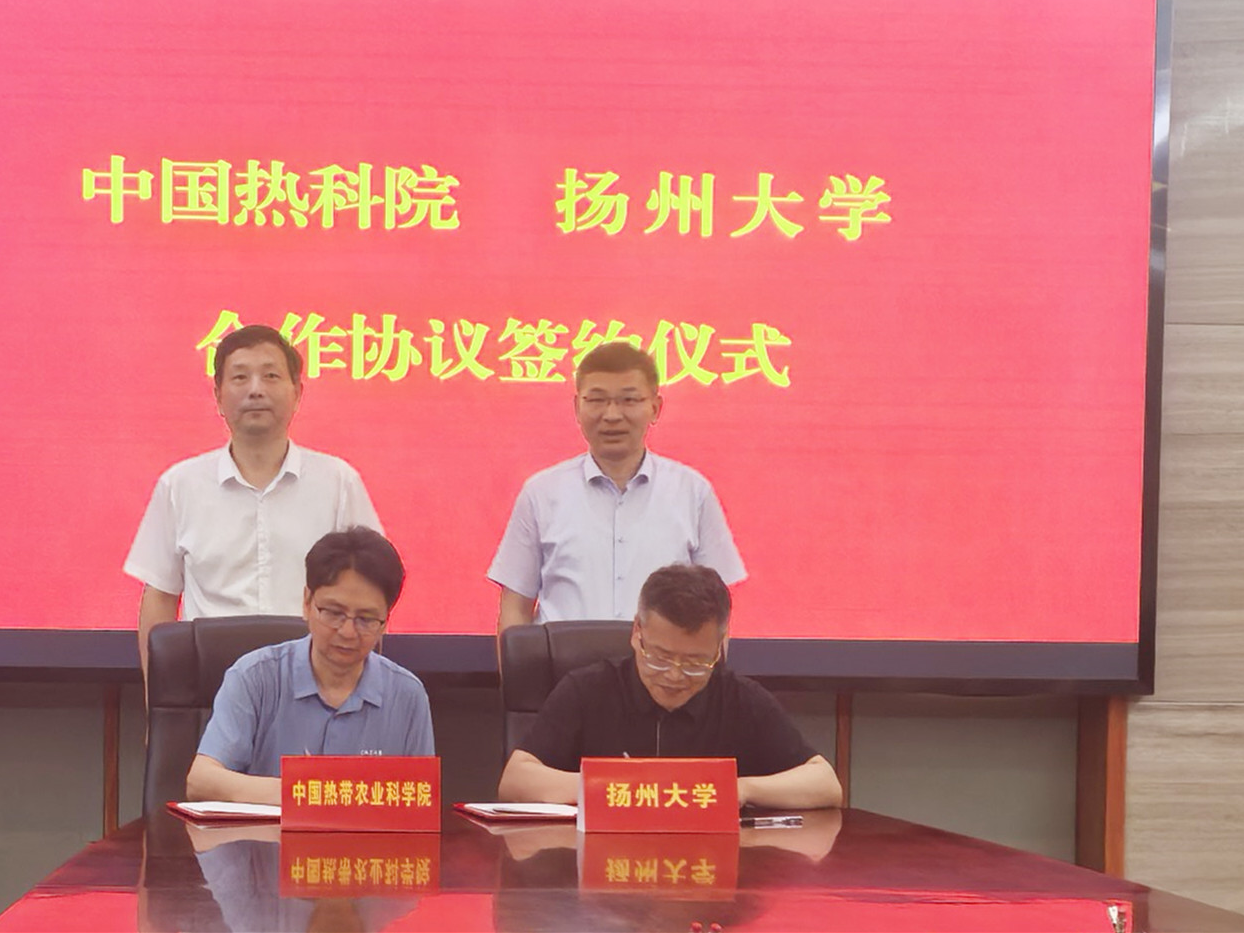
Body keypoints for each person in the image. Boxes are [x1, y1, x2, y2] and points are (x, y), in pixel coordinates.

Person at [123, 324, 380, 675]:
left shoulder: (338, 482)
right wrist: (159, 700)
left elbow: (370, 591)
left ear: (297, 393)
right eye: (240, 377)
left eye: (271, 376)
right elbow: (160, 596)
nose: (256, 390)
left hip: (315, 680)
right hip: (210, 684)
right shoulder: (179, 485)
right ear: (218, 396)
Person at [497, 563, 842, 810]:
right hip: (601, 879)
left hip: (710, 877)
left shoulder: (741, 700)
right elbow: (516, 781)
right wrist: (626, 787)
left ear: (720, 645)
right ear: (637, 633)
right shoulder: (586, 690)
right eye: (660, 657)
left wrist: (738, 789)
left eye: (695, 662)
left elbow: (825, 784)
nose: (674, 676)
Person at [487, 340, 744, 630]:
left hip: (660, 661)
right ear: (577, 407)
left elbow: (715, 612)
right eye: (597, 400)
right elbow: (515, 607)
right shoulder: (541, 493)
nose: (611, 415)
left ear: (655, 408)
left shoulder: (692, 493)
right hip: (561, 660)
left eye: (629, 400)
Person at [185, 527, 435, 805]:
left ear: (385, 621)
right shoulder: (254, 678)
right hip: (266, 834)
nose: (348, 632)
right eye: (334, 613)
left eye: (366, 619)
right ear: (306, 603)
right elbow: (201, 781)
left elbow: (419, 801)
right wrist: (307, 794)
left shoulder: (407, 695)